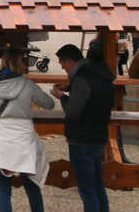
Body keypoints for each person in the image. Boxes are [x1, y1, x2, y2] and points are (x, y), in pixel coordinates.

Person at [0, 48, 54, 212]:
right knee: (32, 187)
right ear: (20, 64)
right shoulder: (27, 84)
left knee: (4, 190)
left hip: (1, 138)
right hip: (24, 139)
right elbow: (49, 104)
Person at [50, 43, 116, 212]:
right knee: (98, 187)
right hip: (99, 137)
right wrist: (70, 88)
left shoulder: (81, 78)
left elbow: (73, 112)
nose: (63, 68)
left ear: (70, 62)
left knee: (88, 191)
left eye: (62, 64)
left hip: (82, 141)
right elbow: (93, 93)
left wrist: (62, 97)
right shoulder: (100, 73)